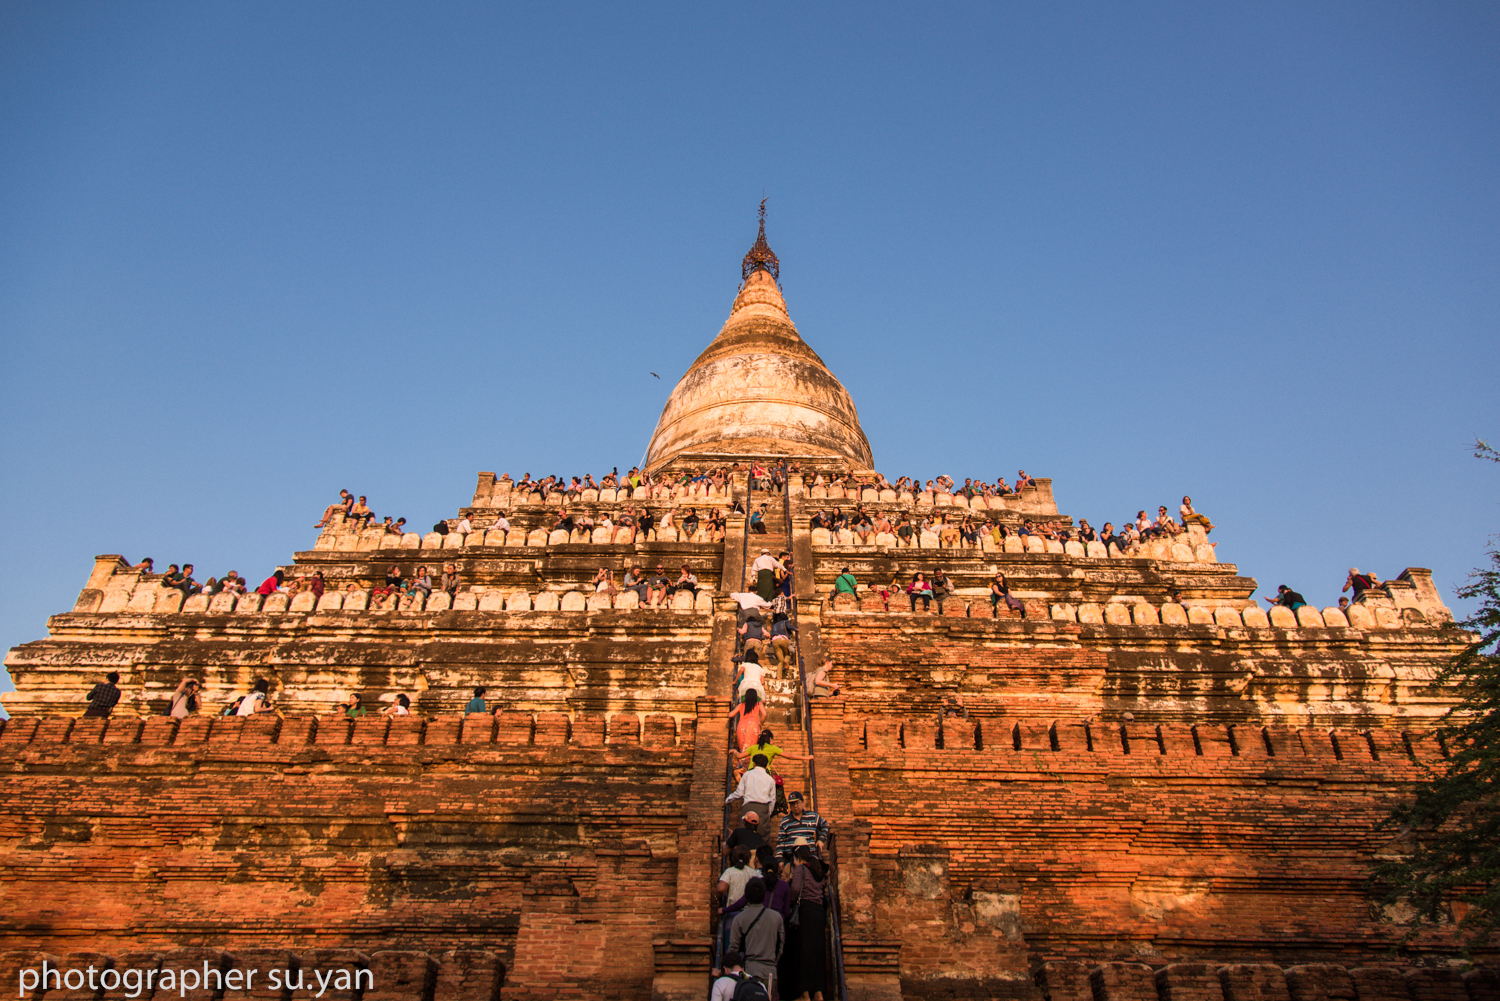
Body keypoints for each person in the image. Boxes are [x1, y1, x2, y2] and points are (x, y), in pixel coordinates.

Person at [728, 878, 784, 997]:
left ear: (746, 897)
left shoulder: (739, 919)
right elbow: (780, 946)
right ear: (764, 896)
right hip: (771, 972)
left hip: (750, 971)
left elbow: (733, 949)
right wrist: (773, 961)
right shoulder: (777, 917)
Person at [788, 845, 827, 1001]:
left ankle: (805, 994)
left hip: (805, 910)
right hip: (819, 912)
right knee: (817, 952)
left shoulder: (801, 869)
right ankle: (818, 993)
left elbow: (796, 889)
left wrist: (790, 902)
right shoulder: (819, 871)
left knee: (803, 951)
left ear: (799, 858)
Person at [726, 753, 776, 835]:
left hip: (748, 807)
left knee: (744, 834)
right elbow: (772, 800)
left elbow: (739, 793)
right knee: (762, 836)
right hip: (763, 808)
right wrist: (768, 813)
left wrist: (728, 799)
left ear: (754, 764)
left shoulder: (747, 775)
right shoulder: (770, 780)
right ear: (766, 766)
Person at [776, 791, 831, 863]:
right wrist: (779, 860)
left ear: (802, 803)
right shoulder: (785, 821)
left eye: (797, 803)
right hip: (791, 858)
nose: (795, 806)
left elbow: (825, 825)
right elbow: (780, 842)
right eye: (792, 804)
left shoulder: (812, 816)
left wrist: (821, 840)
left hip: (809, 856)